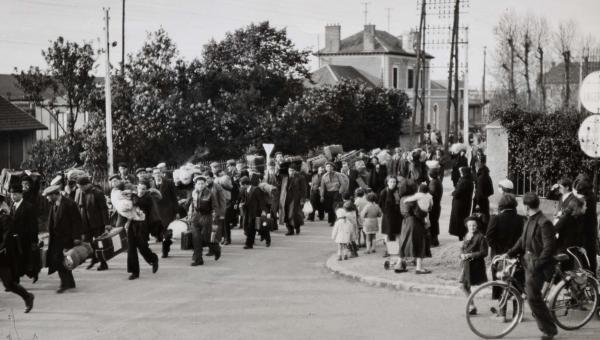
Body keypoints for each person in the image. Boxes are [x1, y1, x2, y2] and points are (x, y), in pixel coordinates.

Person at [506, 192, 558, 340]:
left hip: (538, 265)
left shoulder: (544, 222)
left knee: (533, 298)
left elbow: (549, 248)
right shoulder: (529, 220)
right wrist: (509, 253)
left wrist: (538, 264)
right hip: (529, 262)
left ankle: (549, 330)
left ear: (526, 207)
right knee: (532, 297)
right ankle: (546, 326)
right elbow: (522, 240)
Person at [43, 185, 83, 293]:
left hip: (66, 238)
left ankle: (64, 283)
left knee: (61, 261)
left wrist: (76, 237)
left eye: (48, 196)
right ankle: (70, 282)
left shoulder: (69, 204)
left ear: (54, 194)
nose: (47, 198)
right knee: (61, 260)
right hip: (56, 239)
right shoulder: (53, 204)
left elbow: (77, 222)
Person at [0, 197, 34, 313]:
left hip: (3, 257)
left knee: (9, 284)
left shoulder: (5, 218)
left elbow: (7, 237)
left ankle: (27, 297)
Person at [74, 176, 111, 271]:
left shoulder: (97, 193)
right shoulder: (79, 192)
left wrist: (107, 224)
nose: (79, 189)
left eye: (81, 186)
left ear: (87, 184)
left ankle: (103, 263)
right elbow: (77, 207)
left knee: (99, 243)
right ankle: (94, 258)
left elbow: (104, 209)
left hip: (97, 223)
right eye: (78, 187)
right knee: (87, 243)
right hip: (84, 223)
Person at [127, 180, 160, 280]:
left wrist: (133, 196)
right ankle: (134, 272)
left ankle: (153, 259)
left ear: (147, 190)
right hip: (132, 225)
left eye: (143, 189)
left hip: (143, 226)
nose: (141, 191)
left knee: (142, 247)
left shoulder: (148, 198)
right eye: (139, 188)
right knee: (131, 249)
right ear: (137, 187)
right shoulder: (133, 195)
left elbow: (138, 202)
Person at [9, 184, 39, 283]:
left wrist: (34, 240)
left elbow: (33, 225)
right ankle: (15, 281)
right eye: (12, 194)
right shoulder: (12, 205)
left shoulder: (28, 207)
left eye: (16, 194)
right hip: (14, 238)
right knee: (14, 260)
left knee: (27, 258)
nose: (13, 196)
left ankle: (34, 273)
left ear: (21, 195)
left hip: (25, 238)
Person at [188, 175, 221, 266]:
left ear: (205, 184)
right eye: (199, 184)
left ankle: (216, 248)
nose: (201, 185)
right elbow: (192, 205)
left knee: (206, 238)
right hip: (196, 217)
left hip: (207, 216)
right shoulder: (194, 192)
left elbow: (215, 207)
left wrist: (214, 219)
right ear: (196, 185)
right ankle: (198, 259)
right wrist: (189, 216)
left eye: (202, 183)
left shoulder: (210, 193)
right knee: (196, 239)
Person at [459, 216, 488, 315]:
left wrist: (470, 255)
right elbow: (462, 248)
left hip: (475, 265)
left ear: (477, 226)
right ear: (467, 226)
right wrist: (461, 254)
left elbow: (484, 252)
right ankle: (472, 306)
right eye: (470, 225)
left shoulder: (480, 237)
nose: (472, 227)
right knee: (463, 285)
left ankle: (471, 306)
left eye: (474, 225)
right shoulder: (467, 235)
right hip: (466, 264)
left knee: (463, 285)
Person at [396, 199, 432, 274]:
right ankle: (419, 268)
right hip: (415, 226)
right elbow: (421, 216)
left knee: (404, 244)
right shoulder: (417, 207)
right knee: (419, 245)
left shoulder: (404, 206)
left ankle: (398, 265)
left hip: (405, 225)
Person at [486, 194, 524, 258]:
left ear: (501, 204)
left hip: (498, 253)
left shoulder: (495, 218)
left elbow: (489, 237)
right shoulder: (521, 219)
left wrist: (497, 248)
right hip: (515, 252)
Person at [574, 177, 598, 277]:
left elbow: (583, 218)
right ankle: (592, 277)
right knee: (590, 257)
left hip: (587, 232)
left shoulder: (588, 200)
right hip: (590, 231)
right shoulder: (591, 196)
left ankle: (591, 278)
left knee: (587, 258)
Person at [152, 168, 178, 258]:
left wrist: (176, 211)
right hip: (157, 212)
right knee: (160, 232)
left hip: (168, 211)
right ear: (153, 175)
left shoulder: (169, 183)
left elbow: (174, 198)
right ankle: (168, 242)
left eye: (159, 173)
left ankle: (165, 251)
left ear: (162, 173)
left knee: (166, 232)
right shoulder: (151, 184)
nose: (157, 175)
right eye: (155, 173)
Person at [239, 175, 269, 249]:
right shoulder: (245, 190)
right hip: (249, 213)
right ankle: (249, 244)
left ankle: (267, 239)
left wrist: (263, 211)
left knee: (260, 228)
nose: (241, 187)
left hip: (256, 212)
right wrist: (243, 204)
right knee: (251, 228)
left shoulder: (256, 189)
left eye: (241, 185)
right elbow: (247, 201)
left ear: (245, 184)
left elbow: (261, 201)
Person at [281, 162, 308, 235]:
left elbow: (304, 189)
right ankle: (290, 230)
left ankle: (297, 226)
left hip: (295, 198)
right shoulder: (285, 177)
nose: (291, 172)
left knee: (292, 214)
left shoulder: (300, 177)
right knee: (286, 214)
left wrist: (303, 199)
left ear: (296, 171)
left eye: (292, 170)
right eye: (290, 170)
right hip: (286, 198)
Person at [379, 177, 402, 259]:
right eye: (391, 182)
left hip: (397, 216)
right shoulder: (384, 192)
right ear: (387, 182)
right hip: (388, 216)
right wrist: (386, 212)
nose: (393, 183)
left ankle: (396, 250)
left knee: (397, 233)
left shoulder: (398, 191)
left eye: (394, 182)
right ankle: (388, 250)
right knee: (388, 233)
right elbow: (381, 204)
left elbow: (400, 202)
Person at [449, 167, 474, 241]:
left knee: (459, 220)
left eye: (461, 172)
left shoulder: (464, 181)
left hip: (460, 204)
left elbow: (458, 192)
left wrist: (452, 193)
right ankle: (462, 234)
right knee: (463, 218)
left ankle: (461, 235)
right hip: (465, 203)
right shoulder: (468, 180)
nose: (460, 173)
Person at [320, 162, 348, 227]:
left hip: (337, 192)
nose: (329, 168)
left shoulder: (338, 174)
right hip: (328, 193)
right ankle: (331, 221)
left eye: (330, 166)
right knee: (329, 207)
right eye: (327, 167)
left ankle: (338, 220)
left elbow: (343, 184)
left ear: (333, 167)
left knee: (336, 207)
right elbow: (322, 187)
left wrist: (340, 192)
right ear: (325, 168)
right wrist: (321, 196)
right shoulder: (324, 176)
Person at [472, 158, 494, 230]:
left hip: (479, 201)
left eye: (476, 166)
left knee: (479, 218)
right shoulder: (488, 177)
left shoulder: (481, 178)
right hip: (485, 200)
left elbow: (479, 192)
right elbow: (491, 191)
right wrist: (486, 195)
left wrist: (477, 203)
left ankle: (482, 231)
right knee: (486, 216)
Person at [428, 168, 443, 247]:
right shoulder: (437, 181)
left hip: (434, 206)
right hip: (436, 205)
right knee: (434, 223)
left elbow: (432, 194)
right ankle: (435, 240)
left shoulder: (433, 182)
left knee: (432, 223)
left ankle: (433, 241)